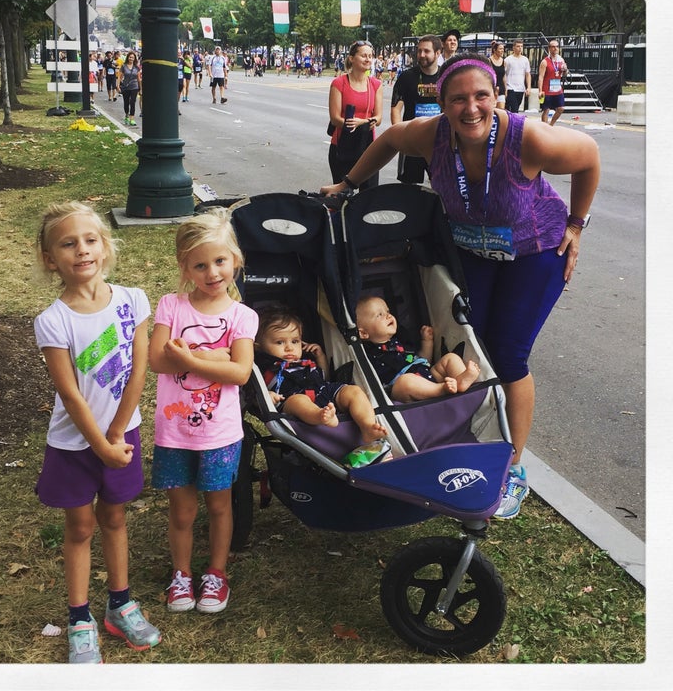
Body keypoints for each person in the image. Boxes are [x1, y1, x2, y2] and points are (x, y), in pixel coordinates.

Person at [320, 52, 600, 520]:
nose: (471, 108)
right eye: (458, 99)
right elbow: (388, 138)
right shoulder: (432, 135)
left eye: (481, 97)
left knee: (509, 358)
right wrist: (347, 183)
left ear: (497, 97)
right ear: (443, 103)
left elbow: (589, 158)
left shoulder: (527, 138)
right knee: (478, 348)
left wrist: (576, 223)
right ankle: (473, 439)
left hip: (534, 253)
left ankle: (512, 468)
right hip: (474, 250)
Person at [33, 202, 161, 663]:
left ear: (105, 246)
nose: (81, 250)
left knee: (114, 518)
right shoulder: (53, 321)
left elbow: (140, 370)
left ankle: (120, 604)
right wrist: (99, 444)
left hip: (121, 436)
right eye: (68, 244)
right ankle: (80, 618)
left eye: (89, 240)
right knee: (81, 525)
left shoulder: (134, 300)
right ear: (51, 259)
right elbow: (70, 396)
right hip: (74, 444)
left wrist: (116, 434)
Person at [149, 207, 258, 615]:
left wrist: (192, 358)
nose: (212, 272)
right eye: (200, 264)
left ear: (236, 260)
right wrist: (214, 355)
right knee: (182, 508)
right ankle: (181, 574)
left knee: (218, 505)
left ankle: (216, 572)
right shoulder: (171, 306)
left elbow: (241, 371)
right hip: (174, 431)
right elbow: (158, 360)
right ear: (185, 267)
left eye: (220, 261)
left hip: (220, 434)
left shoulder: (242, 315)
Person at [254, 305, 387, 443]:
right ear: (258, 347)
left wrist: (321, 357)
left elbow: (324, 377)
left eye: (295, 341)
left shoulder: (305, 362)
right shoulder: (264, 367)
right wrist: (266, 396)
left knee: (353, 391)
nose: (289, 347)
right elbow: (253, 394)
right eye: (279, 342)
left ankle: (367, 426)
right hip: (290, 398)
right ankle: (320, 416)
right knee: (299, 401)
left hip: (323, 391)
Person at [355, 296, 480, 402]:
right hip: (402, 389)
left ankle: (462, 380)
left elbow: (421, 359)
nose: (388, 316)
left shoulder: (399, 341)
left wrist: (427, 342)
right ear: (364, 333)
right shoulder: (367, 354)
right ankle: (443, 389)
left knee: (450, 358)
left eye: (387, 311)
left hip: (429, 376)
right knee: (405, 382)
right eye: (379, 315)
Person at [327, 40, 383, 191]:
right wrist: (354, 124)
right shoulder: (339, 83)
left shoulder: (375, 85)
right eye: (363, 55)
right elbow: (335, 118)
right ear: (352, 58)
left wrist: (365, 122)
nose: (368, 59)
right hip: (343, 146)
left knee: (368, 196)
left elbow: (378, 118)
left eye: (370, 56)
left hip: (368, 148)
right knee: (342, 194)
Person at [390, 34, 443, 184]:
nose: (421, 55)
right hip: (412, 141)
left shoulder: (446, 77)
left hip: (439, 143)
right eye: (419, 51)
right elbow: (395, 109)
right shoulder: (407, 77)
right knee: (409, 189)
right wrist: (400, 135)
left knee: (442, 188)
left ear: (438, 53)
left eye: (426, 51)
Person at [538, 39, 568, 125]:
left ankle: (551, 125)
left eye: (557, 46)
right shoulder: (545, 61)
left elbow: (565, 74)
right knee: (546, 109)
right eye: (553, 47)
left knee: (561, 108)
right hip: (547, 89)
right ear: (549, 49)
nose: (555, 48)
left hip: (557, 88)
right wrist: (540, 90)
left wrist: (565, 70)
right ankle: (545, 127)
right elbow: (541, 77)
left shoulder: (561, 60)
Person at [503, 38, 531, 113]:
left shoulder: (525, 60)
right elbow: (504, 74)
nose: (520, 48)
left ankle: (509, 122)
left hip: (521, 88)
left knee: (516, 107)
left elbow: (527, 74)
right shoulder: (508, 60)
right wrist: (505, 87)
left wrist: (528, 87)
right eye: (518, 46)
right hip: (510, 87)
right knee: (514, 108)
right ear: (514, 47)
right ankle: (513, 124)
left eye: (521, 46)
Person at [117, 51, 141, 126]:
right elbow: (119, 77)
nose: (131, 59)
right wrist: (117, 85)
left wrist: (141, 88)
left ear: (134, 59)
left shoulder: (136, 67)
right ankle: (127, 115)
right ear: (128, 58)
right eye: (130, 57)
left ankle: (132, 119)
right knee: (126, 102)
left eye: (133, 57)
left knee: (133, 102)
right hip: (125, 86)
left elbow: (139, 78)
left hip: (134, 86)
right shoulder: (123, 66)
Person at [490, 41, 506, 109]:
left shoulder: (504, 61)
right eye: (500, 49)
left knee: (501, 110)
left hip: (501, 88)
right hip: (492, 88)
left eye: (503, 49)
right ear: (494, 50)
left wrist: (506, 89)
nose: (502, 50)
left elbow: (504, 76)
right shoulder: (489, 61)